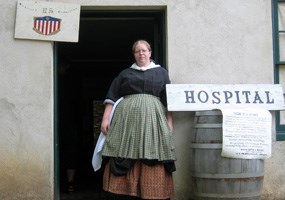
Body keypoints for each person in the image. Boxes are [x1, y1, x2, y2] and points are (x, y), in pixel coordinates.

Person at [100, 39, 176, 200]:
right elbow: (112, 96)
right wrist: (105, 119)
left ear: (150, 53)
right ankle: (126, 191)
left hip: (153, 119)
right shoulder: (126, 73)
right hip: (127, 120)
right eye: (137, 51)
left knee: (152, 149)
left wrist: (170, 121)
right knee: (125, 149)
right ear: (134, 55)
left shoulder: (161, 72)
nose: (141, 53)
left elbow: (168, 99)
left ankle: (153, 191)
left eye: (144, 50)